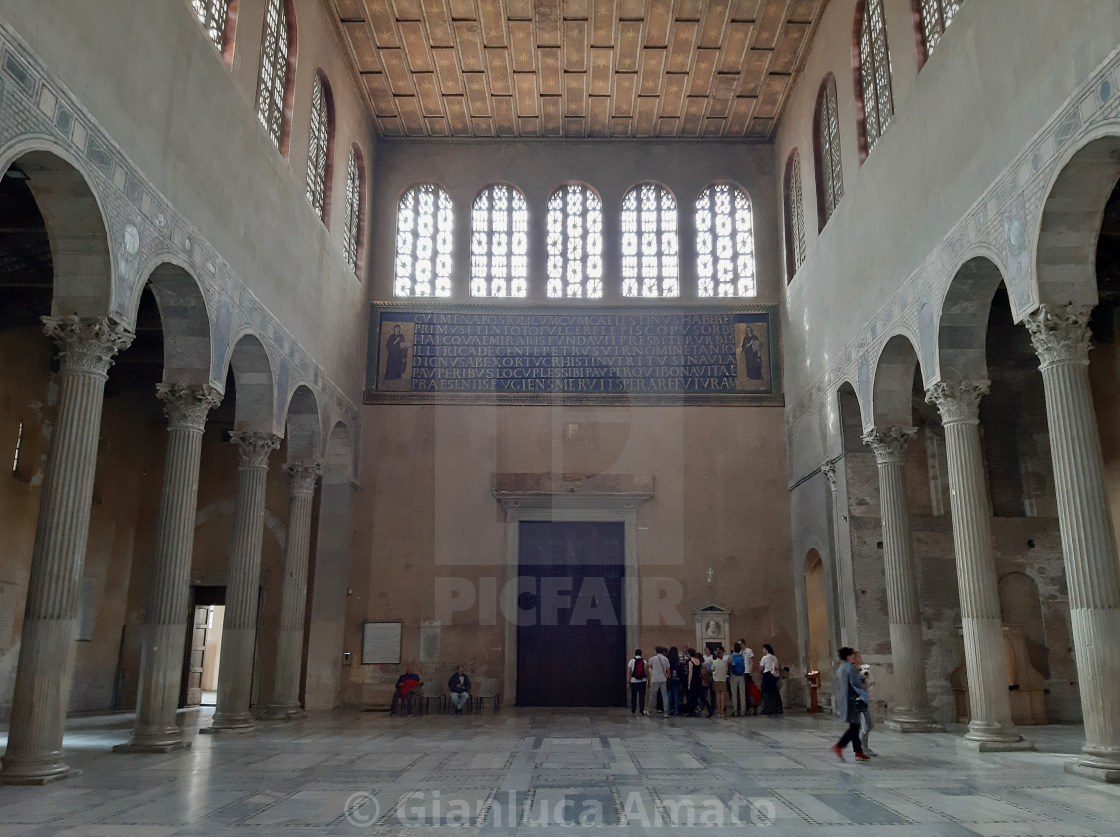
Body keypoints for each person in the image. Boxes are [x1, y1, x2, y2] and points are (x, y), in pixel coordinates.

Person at [832, 647, 871, 761]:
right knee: (854, 727)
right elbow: (856, 684)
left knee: (854, 726)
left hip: (846, 700)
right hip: (853, 700)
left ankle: (858, 751)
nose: (854, 656)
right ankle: (839, 746)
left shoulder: (841, 668)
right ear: (848, 656)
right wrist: (866, 686)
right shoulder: (851, 668)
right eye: (852, 655)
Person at [759, 643, 783, 715]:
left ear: (766, 649)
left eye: (763, 649)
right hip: (774, 676)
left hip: (767, 675)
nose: (762, 650)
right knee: (773, 692)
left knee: (766, 693)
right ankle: (775, 707)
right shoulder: (774, 657)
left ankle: (767, 709)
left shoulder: (765, 658)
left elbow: (760, 668)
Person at [858, 662, 876, 755]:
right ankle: (863, 746)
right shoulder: (859, 677)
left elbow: (873, 684)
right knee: (866, 725)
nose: (866, 671)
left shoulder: (869, 676)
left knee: (871, 724)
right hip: (864, 703)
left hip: (871, 702)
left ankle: (865, 746)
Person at [648, 646, 670, 716]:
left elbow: (647, 667)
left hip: (655, 679)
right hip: (663, 679)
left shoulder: (653, 659)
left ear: (656, 651)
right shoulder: (665, 659)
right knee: (665, 696)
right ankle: (666, 712)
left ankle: (650, 711)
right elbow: (668, 670)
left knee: (652, 696)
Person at [628, 648, 649, 715]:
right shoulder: (644, 661)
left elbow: (629, 672)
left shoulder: (631, 661)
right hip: (643, 681)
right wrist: (649, 681)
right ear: (641, 654)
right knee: (642, 696)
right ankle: (641, 710)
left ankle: (633, 709)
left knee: (634, 696)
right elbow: (647, 672)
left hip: (634, 681)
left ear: (635, 653)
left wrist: (628, 681)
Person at [729, 642, 747, 716]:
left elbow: (729, 664)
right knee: (742, 694)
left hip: (733, 676)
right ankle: (743, 711)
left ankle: (735, 711)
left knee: (734, 694)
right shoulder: (742, 656)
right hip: (741, 676)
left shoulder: (731, 656)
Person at [711, 647, 729, 717]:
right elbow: (726, 670)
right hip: (723, 680)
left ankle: (718, 712)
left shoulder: (714, 662)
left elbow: (712, 669)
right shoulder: (725, 662)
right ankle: (722, 712)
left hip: (716, 680)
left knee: (717, 696)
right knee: (722, 697)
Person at [666, 646, 681, 717]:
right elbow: (678, 668)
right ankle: (676, 710)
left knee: (669, 694)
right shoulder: (676, 659)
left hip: (669, 678)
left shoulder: (667, 659)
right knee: (676, 695)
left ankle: (669, 710)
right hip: (676, 679)